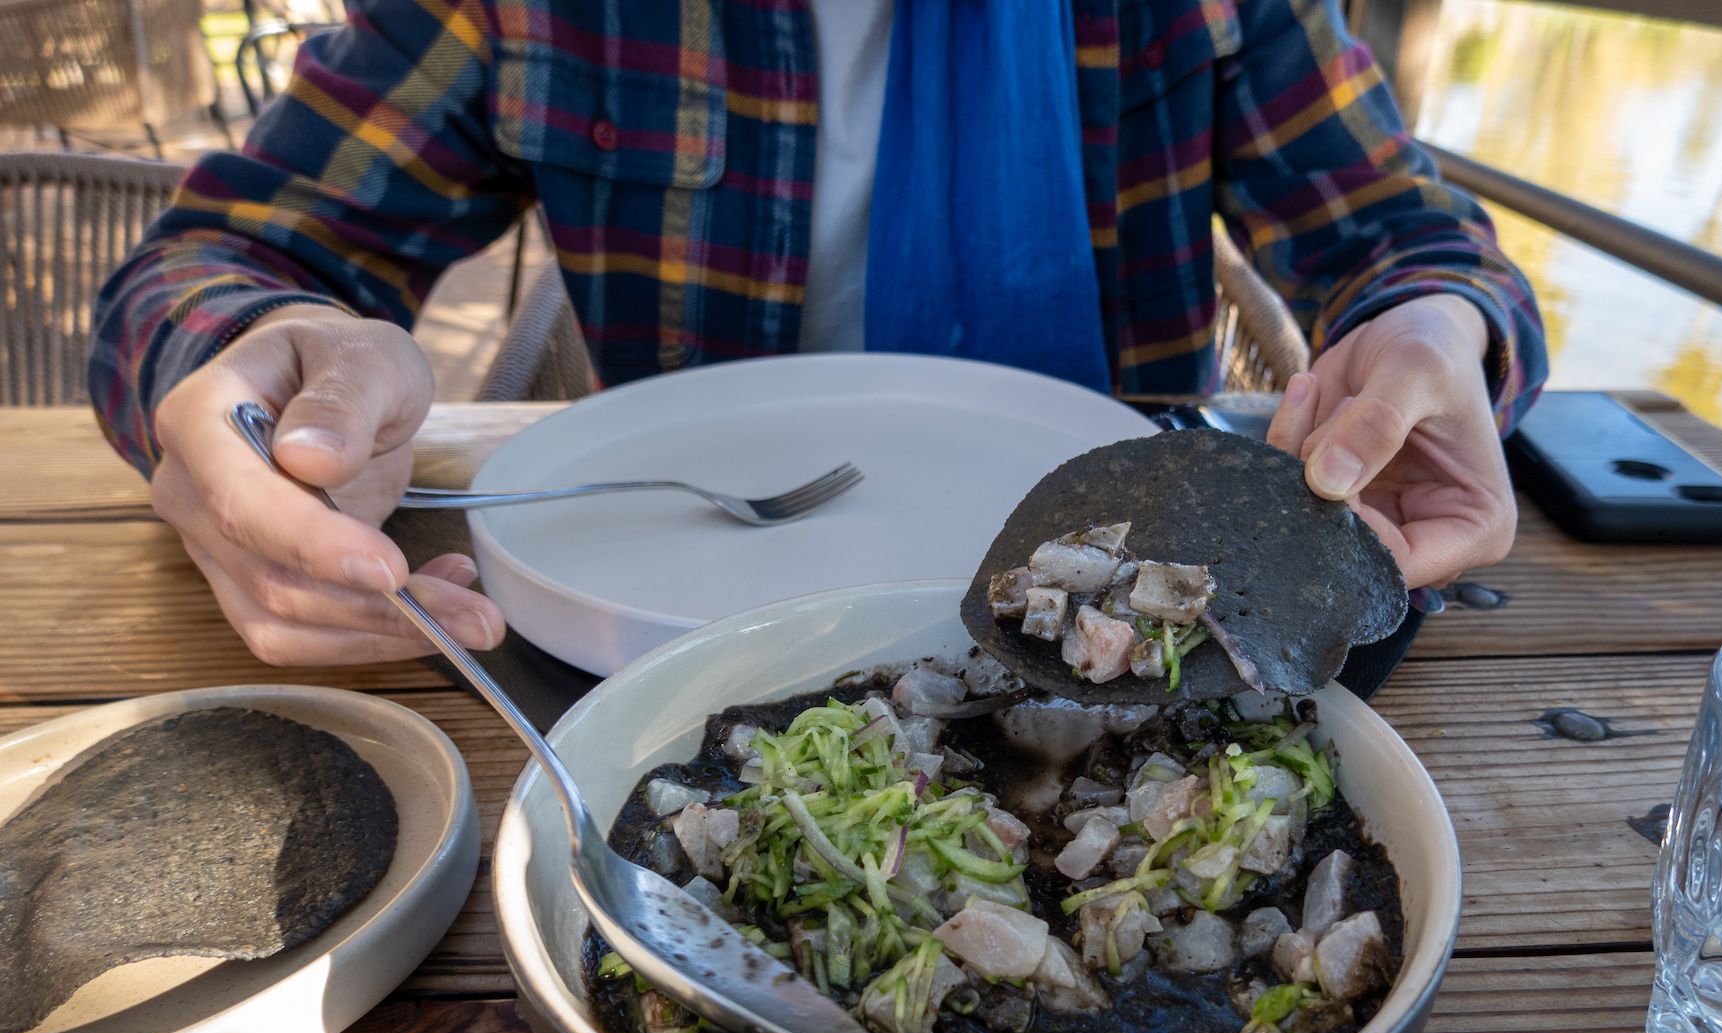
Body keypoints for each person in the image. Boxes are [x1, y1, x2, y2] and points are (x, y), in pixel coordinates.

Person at [90, 0, 1546, 670]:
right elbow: (224, 257)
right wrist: (257, 366)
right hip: (646, 642)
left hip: (1137, 627)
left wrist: (1435, 329)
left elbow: (1406, 242)